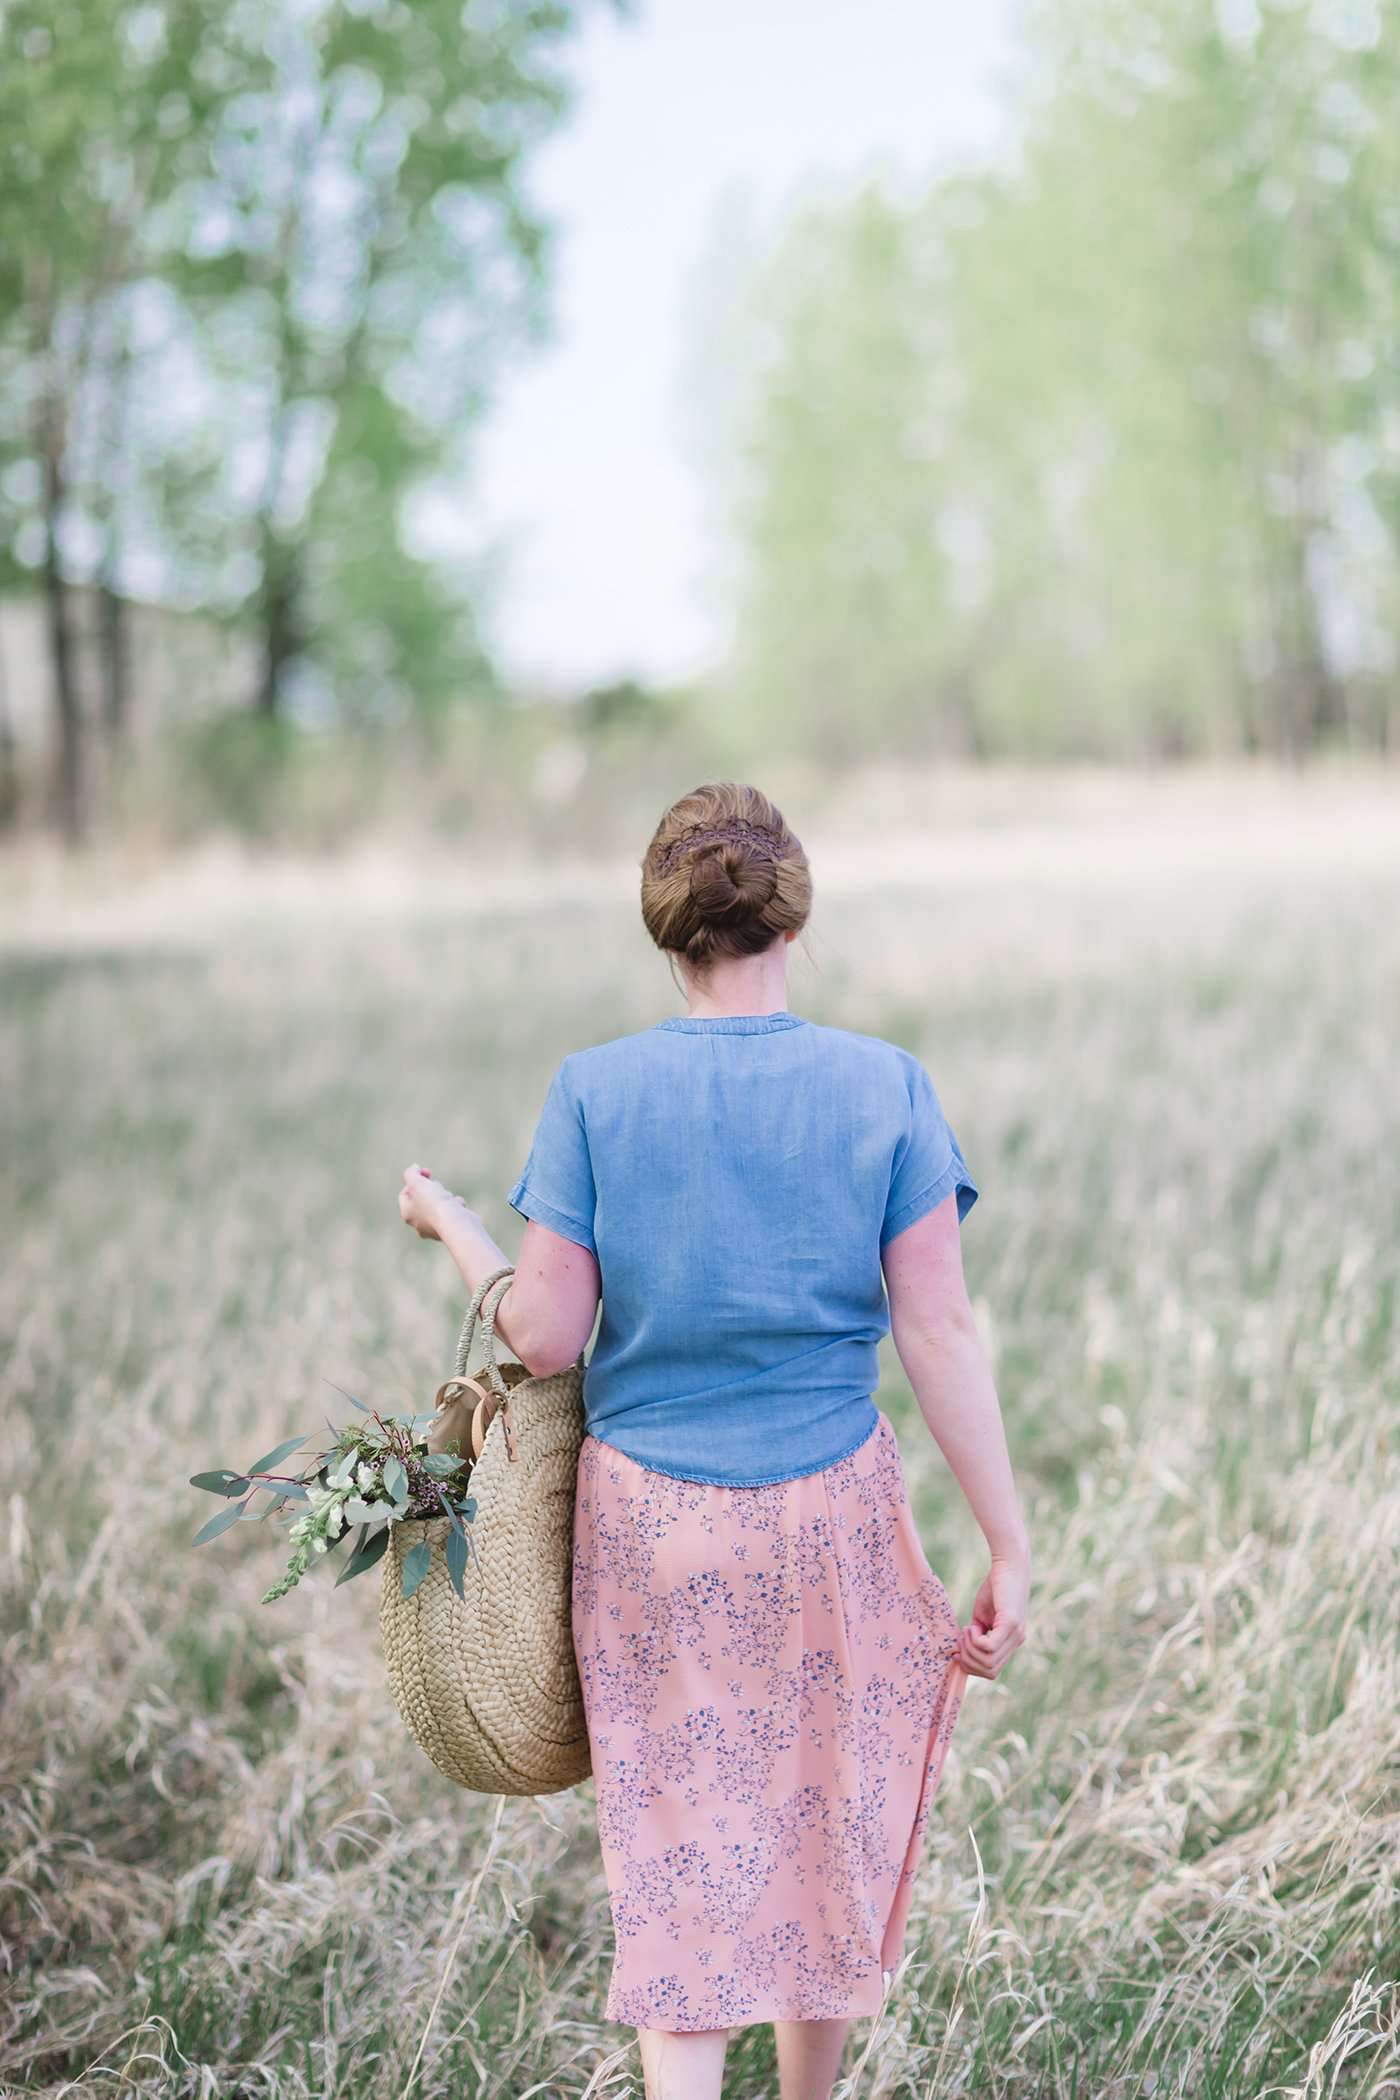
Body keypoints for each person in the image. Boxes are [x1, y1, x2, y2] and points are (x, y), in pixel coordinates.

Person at [398, 780, 1030, 2100]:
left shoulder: (595, 1092)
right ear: (792, 913)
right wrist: (1008, 1541)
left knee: (677, 1868)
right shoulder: (887, 1087)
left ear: (665, 926)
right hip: (835, 1519)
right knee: (818, 1836)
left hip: (650, 1533)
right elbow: (942, 1331)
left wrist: (457, 1226)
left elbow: (547, 1339)